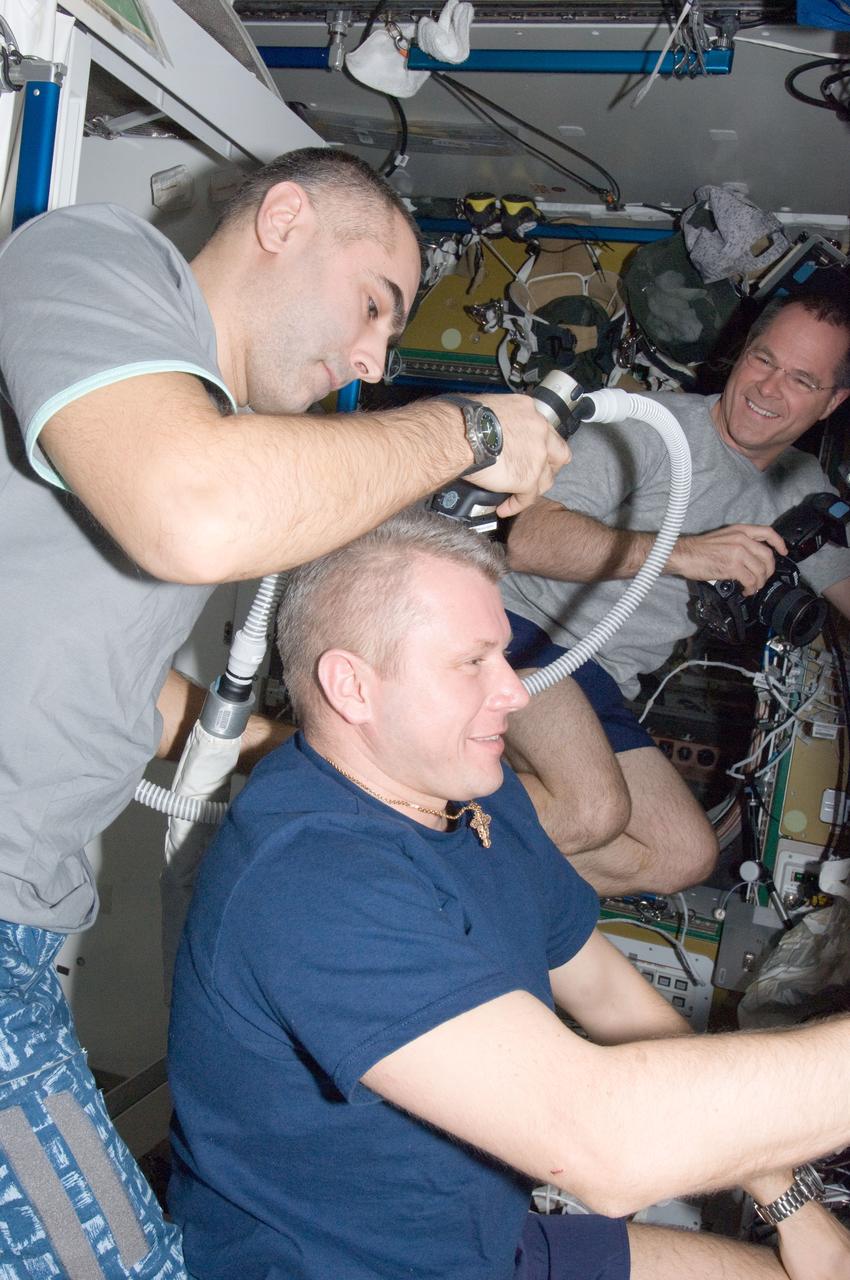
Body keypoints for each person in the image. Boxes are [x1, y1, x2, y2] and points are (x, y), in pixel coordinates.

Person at [0, 147, 569, 1278]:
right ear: (285, 217)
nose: (368, 355)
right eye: (373, 304)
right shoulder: (92, 259)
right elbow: (194, 510)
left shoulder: (190, 424)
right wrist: (474, 428)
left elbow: (114, 672)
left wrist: (289, 753)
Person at [168, 506, 850, 1280]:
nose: (515, 693)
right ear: (352, 686)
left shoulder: (475, 794)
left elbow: (607, 995)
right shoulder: (310, 880)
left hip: (487, 1245)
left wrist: (787, 1199)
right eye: (473, 661)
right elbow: (605, 1143)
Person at [501, 291, 850, 895]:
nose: (768, 389)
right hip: (518, 628)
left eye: (800, 379)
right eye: (763, 360)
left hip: (603, 682)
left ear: (832, 403)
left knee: (682, 856)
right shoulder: (650, 424)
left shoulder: (804, 485)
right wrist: (685, 552)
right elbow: (525, 538)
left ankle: (451, 841)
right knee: (589, 809)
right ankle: (357, 808)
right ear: (741, 354)